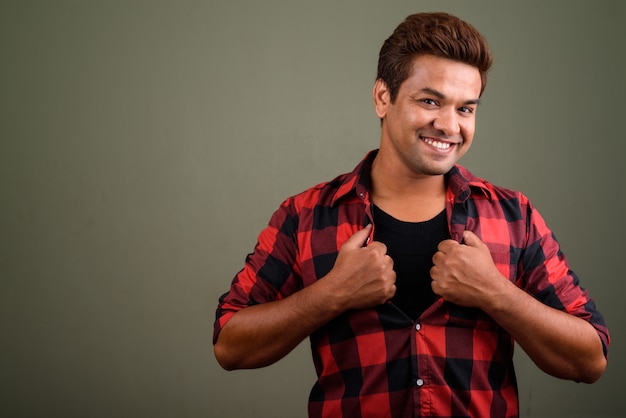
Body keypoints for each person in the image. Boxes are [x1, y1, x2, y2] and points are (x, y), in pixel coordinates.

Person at [213, 12, 609, 418]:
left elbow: (590, 360)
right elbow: (230, 345)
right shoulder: (306, 215)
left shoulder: (514, 217)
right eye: (430, 101)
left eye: (466, 109)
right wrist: (333, 293)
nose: (448, 125)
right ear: (383, 98)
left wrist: (496, 292)